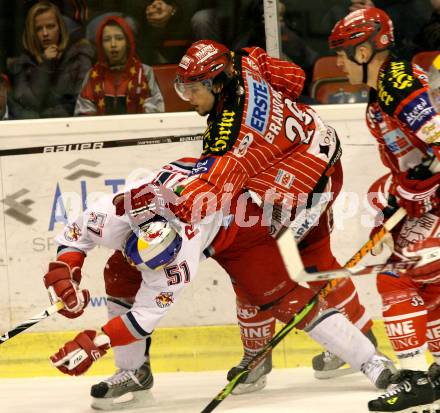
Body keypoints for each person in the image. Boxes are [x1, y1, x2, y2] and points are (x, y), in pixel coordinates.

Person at [117, 39, 389, 390]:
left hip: (300, 190)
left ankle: (267, 354)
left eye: (193, 89)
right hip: (322, 158)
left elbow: (213, 190)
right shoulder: (246, 62)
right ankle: (353, 334)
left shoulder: (229, 139)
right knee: (306, 258)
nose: (189, 99)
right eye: (182, 88)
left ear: (217, 82)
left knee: (261, 263)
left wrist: (167, 199)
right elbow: (294, 79)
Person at [48, 158, 395, 410]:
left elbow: (142, 318)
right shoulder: (114, 214)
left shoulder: (178, 258)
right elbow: (73, 239)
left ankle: (369, 360)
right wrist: (66, 274)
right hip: (195, 199)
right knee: (118, 273)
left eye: (159, 261)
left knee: (288, 300)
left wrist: (95, 341)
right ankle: (133, 372)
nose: (154, 269)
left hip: (238, 227)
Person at [329, 7, 440, 413]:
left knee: (397, 276)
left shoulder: (398, 85)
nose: (338, 62)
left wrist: (418, 191)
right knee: (429, 282)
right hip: (429, 199)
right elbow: (416, 159)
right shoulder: (386, 87)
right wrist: (398, 194)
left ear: (364, 51)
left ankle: (414, 380)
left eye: (343, 52)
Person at [7, 1, 94, 119]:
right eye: (38, 29)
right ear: (31, 33)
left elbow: (81, 104)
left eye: (50, 26)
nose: (45, 33)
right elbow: (30, 104)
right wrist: (45, 64)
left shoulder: (78, 57)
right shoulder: (21, 64)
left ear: (60, 27)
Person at [75, 15, 164, 116]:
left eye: (119, 38)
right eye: (107, 39)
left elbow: (156, 112)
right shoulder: (92, 75)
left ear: (128, 42)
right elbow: (83, 114)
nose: (113, 44)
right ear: (101, 45)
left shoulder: (144, 72)